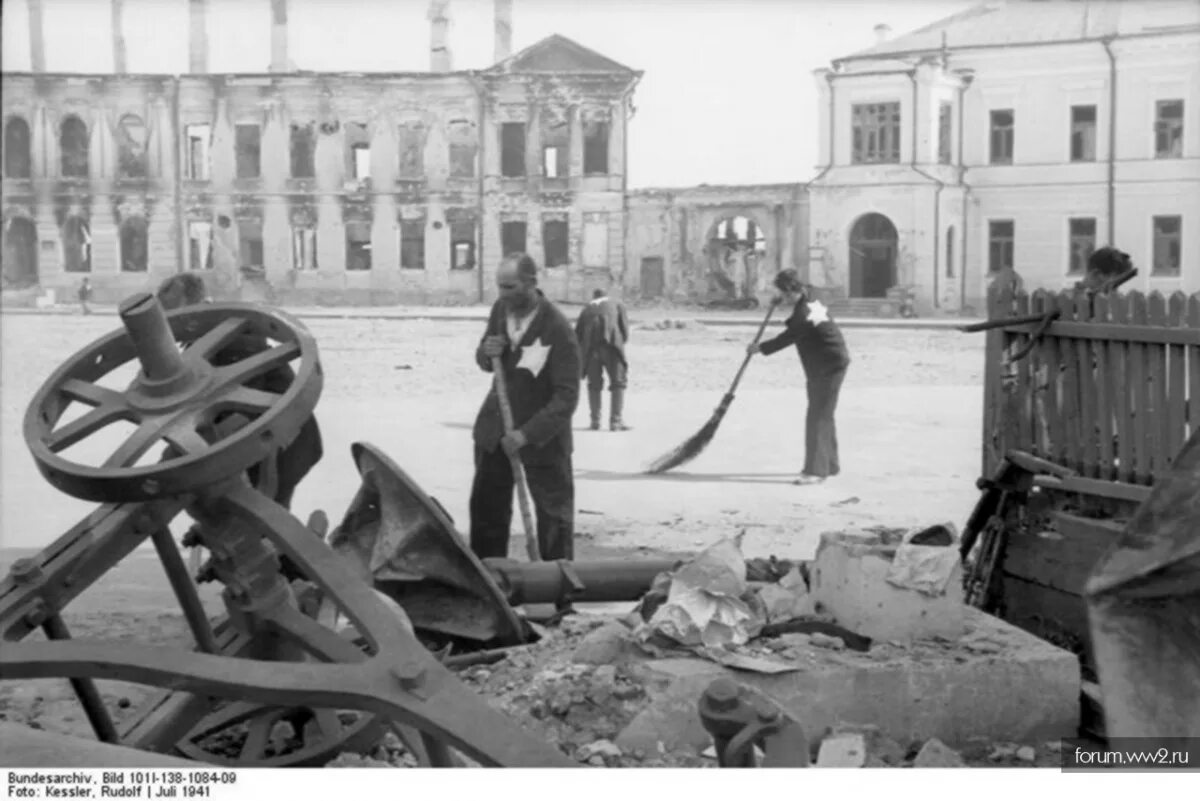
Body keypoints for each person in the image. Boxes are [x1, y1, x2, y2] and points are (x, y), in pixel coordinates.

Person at [155, 272, 323, 512]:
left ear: (198, 305)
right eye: (166, 318)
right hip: (259, 441)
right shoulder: (204, 339)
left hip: (284, 439)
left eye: (175, 315)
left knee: (266, 516)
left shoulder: (232, 335)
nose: (171, 326)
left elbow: (244, 409)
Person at [470, 254, 581, 564]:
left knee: (553, 520)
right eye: (499, 287)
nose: (502, 294)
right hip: (494, 433)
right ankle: (490, 585)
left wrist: (527, 434)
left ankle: (556, 591)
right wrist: (485, 352)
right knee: (487, 513)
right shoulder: (499, 310)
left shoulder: (557, 328)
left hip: (543, 443)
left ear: (532, 283)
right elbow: (485, 360)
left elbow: (567, 397)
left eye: (509, 287)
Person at [748, 269, 851, 485]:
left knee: (818, 416)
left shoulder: (804, 312)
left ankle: (816, 472)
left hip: (827, 366)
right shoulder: (811, 298)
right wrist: (780, 300)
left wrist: (759, 348)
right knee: (824, 414)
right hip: (828, 363)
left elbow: (789, 336)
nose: (783, 299)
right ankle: (829, 465)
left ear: (791, 290)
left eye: (784, 294)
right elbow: (796, 314)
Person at [574, 288, 631, 431]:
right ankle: (616, 421)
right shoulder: (617, 304)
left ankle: (595, 421)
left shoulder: (586, 309)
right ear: (607, 296)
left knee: (594, 384)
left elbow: (577, 335)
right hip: (612, 347)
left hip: (591, 350)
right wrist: (619, 344)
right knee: (618, 383)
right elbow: (624, 330)